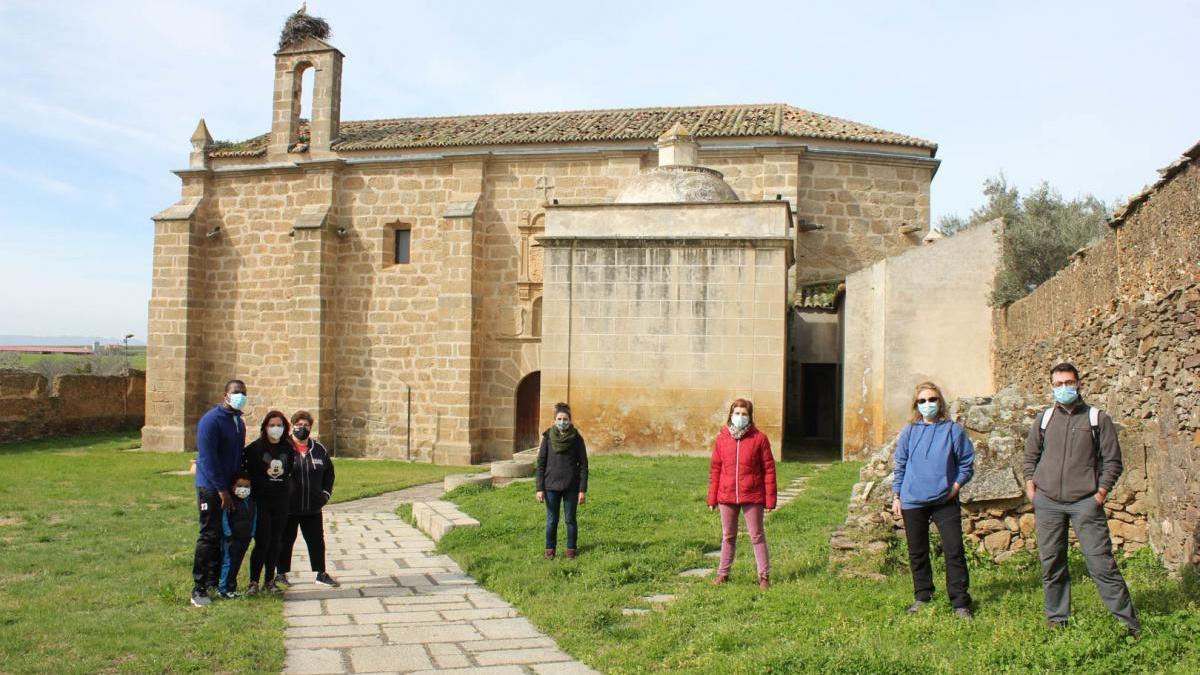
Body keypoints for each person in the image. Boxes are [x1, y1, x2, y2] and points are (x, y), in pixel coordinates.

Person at [1023, 362, 1140, 638]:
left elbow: (1113, 461)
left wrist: (1099, 493)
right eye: (1059, 384)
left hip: (1085, 502)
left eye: (1069, 382)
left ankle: (1128, 623)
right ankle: (1057, 618)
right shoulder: (1044, 419)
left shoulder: (1098, 419)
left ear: (1079, 383)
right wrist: (1032, 487)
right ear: (1052, 386)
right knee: (1052, 563)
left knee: (1101, 564)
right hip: (1048, 502)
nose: (1065, 388)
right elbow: (1030, 457)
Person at [891, 381, 976, 619]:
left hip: (944, 500)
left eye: (932, 399)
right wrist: (897, 495)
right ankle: (923, 596)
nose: (928, 404)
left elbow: (967, 463)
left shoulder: (953, 431)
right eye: (922, 401)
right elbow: (901, 465)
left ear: (940, 402)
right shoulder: (909, 431)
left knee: (954, 549)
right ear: (916, 405)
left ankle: (960, 602)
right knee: (917, 551)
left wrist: (955, 487)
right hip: (912, 500)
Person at [707, 398, 777, 589]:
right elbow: (715, 469)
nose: (740, 417)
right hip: (726, 494)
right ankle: (723, 574)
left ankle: (763, 577)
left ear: (750, 417)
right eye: (737, 413)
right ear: (731, 415)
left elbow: (769, 469)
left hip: (752, 495)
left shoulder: (759, 439)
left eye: (744, 414)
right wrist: (712, 497)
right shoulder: (721, 439)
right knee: (728, 536)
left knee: (757, 535)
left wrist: (770, 499)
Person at [190, 379, 248, 607]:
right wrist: (221, 490)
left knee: (224, 536)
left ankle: (215, 581)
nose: (240, 395)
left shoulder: (238, 422)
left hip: (228, 487)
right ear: (225, 395)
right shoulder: (210, 421)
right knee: (208, 535)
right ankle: (199, 588)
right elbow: (207, 458)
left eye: (243, 392)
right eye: (236, 392)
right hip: (210, 487)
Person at [277, 410, 339, 588]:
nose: (302, 428)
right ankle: (280, 573)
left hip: (312, 507)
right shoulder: (283, 447)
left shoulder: (319, 449)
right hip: (289, 507)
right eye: (298, 425)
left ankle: (320, 573)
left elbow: (329, 473)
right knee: (285, 541)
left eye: (306, 425)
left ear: (311, 427)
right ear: (292, 425)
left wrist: (325, 494)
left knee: (317, 541)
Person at [242, 410, 295, 595]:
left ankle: (269, 581)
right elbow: (246, 473)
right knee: (263, 541)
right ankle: (253, 581)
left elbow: (289, 471)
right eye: (272, 425)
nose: (276, 429)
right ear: (265, 427)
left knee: (276, 542)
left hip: (280, 501)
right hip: (261, 501)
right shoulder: (255, 449)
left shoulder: (288, 449)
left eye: (279, 425)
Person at [535, 402, 588, 560]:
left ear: (570, 420)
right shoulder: (547, 437)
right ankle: (550, 550)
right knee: (552, 520)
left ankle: (571, 550)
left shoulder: (577, 439)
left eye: (565, 419)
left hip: (571, 486)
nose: (562, 422)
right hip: (551, 486)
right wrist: (539, 488)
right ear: (554, 420)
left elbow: (584, 465)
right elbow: (541, 464)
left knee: (570, 520)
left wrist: (582, 490)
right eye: (559, 419)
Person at [217, 472, 257, 599]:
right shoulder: (230, 501)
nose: (243, 489)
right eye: (240, 486)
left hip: (245, 537)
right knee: (228, 562)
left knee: (237, 563)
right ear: (233, 487)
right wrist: (228, 534)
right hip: (232, 538)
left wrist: (252, 533)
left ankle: (232, 587)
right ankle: (223, 588)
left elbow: (254, 518)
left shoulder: (251, 502)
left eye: (247, 486)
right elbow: (224, 519)